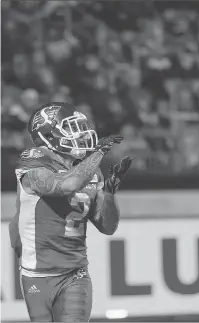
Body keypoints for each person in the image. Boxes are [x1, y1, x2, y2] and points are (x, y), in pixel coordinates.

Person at [8, 102, 132, 322]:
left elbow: (108, 226)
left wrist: (110, 193)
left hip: (75, 273)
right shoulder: (33, 161)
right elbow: (66, 185)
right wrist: (99, 152)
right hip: (37, 274)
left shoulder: (89, 169)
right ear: (49, 134)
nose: (81, 134)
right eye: (72, 128)